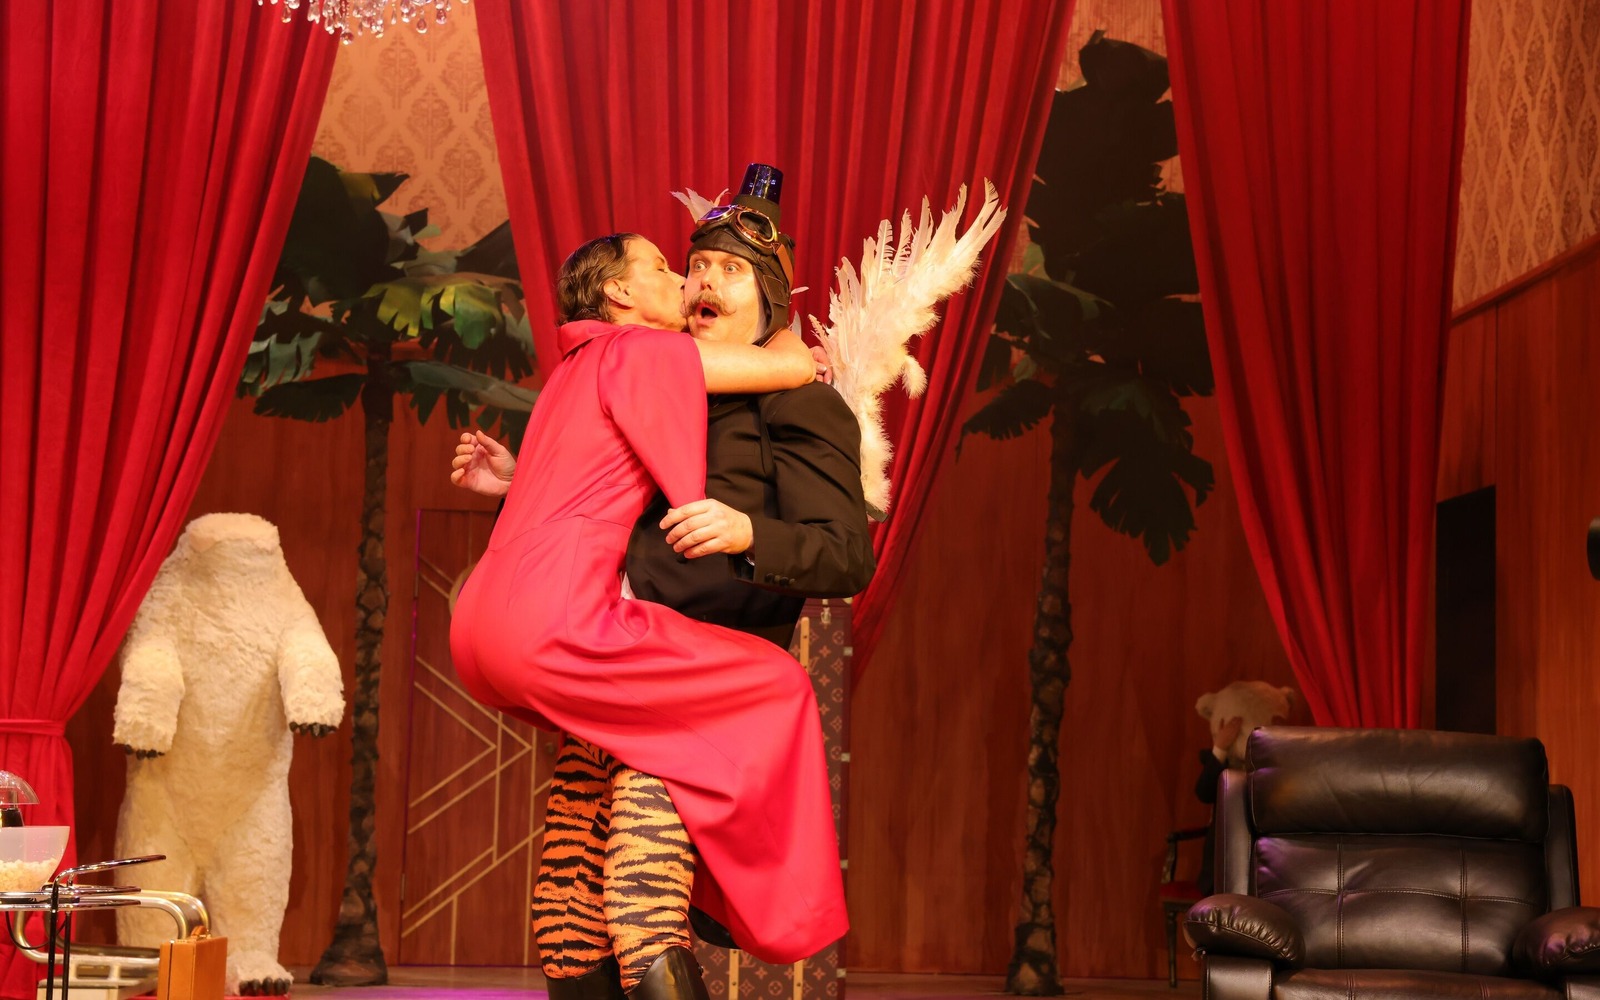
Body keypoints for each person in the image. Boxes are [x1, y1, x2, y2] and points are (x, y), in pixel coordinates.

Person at [449, 196, 852, 1000]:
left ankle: (730, 890)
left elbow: (842, 552)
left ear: (768, 294)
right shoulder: (648, 358)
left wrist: (748, 531)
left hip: (619, 660)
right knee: (589, 896)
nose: (696, 281)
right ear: (624, 294)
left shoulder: (595, 369)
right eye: (685, 266)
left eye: (727, 270)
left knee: (602, 907)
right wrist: (802, 352)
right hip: (607, 647)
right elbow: (787, 364)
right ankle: (748, 893)